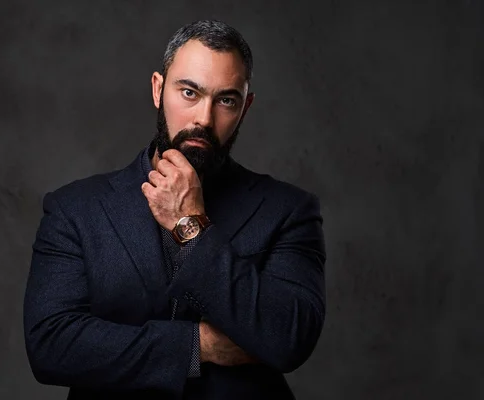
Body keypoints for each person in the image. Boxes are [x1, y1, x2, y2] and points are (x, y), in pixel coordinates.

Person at [23, 19, 326, 400]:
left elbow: (289, 338)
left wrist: (191, 224)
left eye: (226, 100)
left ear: (245, 108)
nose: (203, 118)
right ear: (158, 89)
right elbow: (51, 347)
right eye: (189, 93)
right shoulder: (75, 209)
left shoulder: (288, 210)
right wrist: (196, 346)